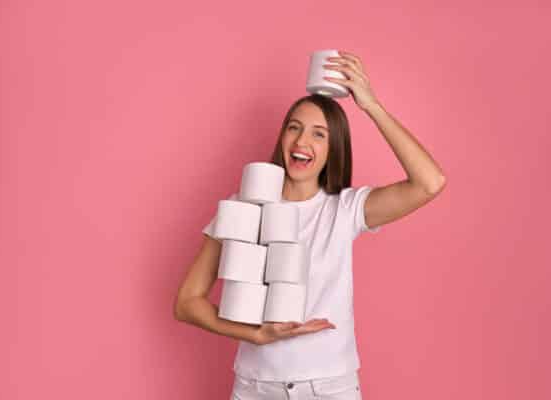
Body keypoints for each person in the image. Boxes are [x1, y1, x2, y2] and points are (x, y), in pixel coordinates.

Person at [174, 50, 447, 399]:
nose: (302, 142)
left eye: (319, 134)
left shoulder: (345, 209)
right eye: (294, 128)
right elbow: (186, 302)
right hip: (256, 387)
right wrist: (254, 335)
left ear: (334, 148)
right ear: (283, 137)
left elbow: (430, 182)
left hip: (330, 388)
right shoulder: (243, 207)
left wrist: (371, 105)